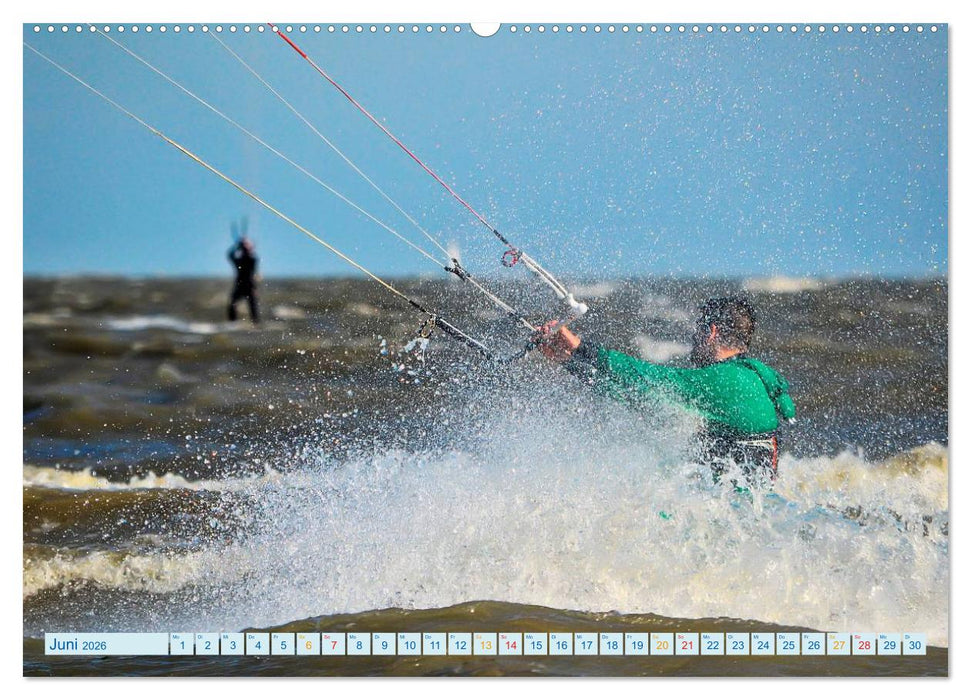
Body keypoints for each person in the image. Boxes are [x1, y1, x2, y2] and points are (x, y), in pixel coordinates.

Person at [537, 296, 795, 487]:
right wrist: (570, 363)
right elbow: (640, 399)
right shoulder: (757, 376)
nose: (694, 337)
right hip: (750, 509)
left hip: (726, 518)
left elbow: (645, 377)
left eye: (698, 329)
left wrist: (581, 347)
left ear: (711, 332)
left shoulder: (723, 382)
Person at [227, 237, 259, 323]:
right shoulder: (239, 261)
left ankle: (255, 323)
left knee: (253, 307)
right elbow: (230, 255)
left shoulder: (252, 259)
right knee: (232, 304)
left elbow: (250, 255)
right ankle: (232, 323)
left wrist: (243, 245)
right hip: (239, 286)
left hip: (250, 286)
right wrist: (237, 246)